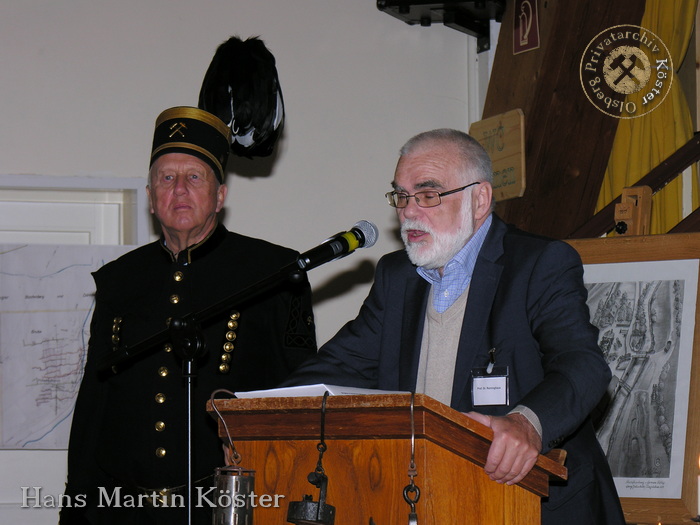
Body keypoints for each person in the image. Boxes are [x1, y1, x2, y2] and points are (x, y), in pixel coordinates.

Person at [282, 129, 625, 524]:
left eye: (428, 195)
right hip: (428, 501)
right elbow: (335, 367)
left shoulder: (537, 263)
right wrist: (258, 417)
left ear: (479, 199)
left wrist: (527, 423)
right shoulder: (398, 277)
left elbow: (582, 364)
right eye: (401, 196)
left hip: (534, 506)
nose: (409, 211)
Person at [60, 106, 317, 524]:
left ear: (219, 196)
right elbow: (93, 404)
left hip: (227, 509)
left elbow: (299, 395)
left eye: (194, 177)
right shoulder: (118, 281)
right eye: (166, 178)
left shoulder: (274, 272)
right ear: (149, 197)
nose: (179, 190)